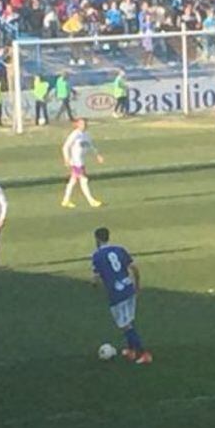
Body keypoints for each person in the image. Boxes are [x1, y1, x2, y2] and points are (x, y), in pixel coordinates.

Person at [90, 227, 152, 365]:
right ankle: (131, 350)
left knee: (125, 325)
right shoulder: (119, 250)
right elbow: (134, 268)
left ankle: (143, 353)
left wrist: (94, 286)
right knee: (128, 320)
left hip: (117, 294)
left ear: (97, 239)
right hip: (129, 288)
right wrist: (137, 285)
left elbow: (95, 278)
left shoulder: (97, 256)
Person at [61, 118, 104, 208]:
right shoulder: (75, 134)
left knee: (73, 181)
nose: (84, 125)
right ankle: (91, 200)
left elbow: (91, 146)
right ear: (77, 125)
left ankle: (66, 200)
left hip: (81, 161)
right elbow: (65, 146)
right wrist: (66, 158)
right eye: (82, 124)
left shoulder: (86, 135)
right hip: (76, 162)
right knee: (84, 180)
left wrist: (97, 155)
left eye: (85, 124)